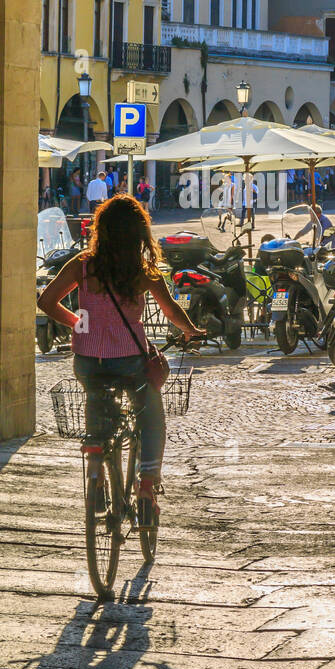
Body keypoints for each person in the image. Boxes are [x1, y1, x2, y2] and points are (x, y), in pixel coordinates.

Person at [37, 195, 205, 529]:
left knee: (96, 398)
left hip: (87, 359)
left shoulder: (82, 265)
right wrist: (193, 330)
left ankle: (97, 467)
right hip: (130, 361)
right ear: (138, 234)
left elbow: (46, 301)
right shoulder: (144, 273)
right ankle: (145, 487)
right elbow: (171, 311)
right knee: (151, 412)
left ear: (101, 230)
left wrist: (79, 324)